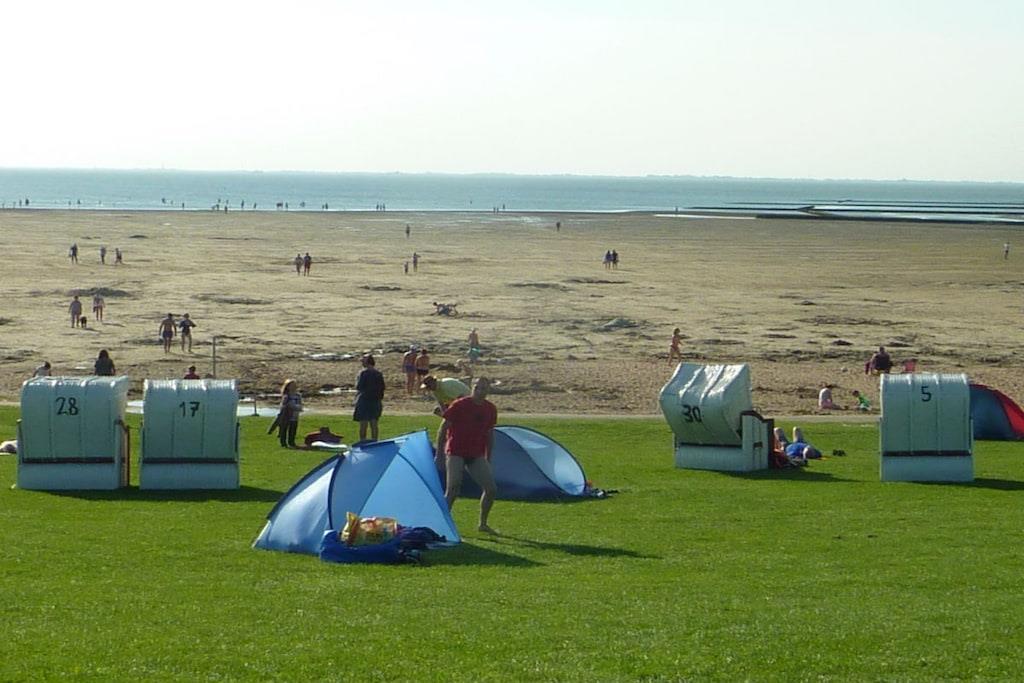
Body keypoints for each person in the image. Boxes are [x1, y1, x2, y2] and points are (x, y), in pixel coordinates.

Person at [441, 377, 499, 534]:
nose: (479, 391)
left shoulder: (490, 409)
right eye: (477, 388)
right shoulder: (460, 405)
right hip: (455, 451)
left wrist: (488, 456)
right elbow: (444, 427)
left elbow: (489, 434)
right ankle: (443, 523)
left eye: (483, 388)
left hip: (475, 453)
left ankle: (483, 524)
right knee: (453, 488)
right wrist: (439, 454)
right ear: (472, 388)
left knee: (491, 489)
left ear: (488, 390)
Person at [353, 354, 385, 442]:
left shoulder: (363, 373)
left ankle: (363, 441)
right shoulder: (378, 373)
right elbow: (382, 387)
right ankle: (375, 440)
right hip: (376, 400)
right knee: (374, 422)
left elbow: (359, 387)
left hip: (364, 400)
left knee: (363, 423)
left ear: (367, 362)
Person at [277, 379, 303, 448]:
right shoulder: (286, 396)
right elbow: (283, 405)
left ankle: (291, 442)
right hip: (286, 416)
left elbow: (300, 405)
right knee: (284, 429)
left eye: (294, 385)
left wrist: (297, 407)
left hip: (295, 415)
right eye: (291, 385)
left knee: (293, 430)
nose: (293, 387)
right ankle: (283, 443)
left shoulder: (298, 395)